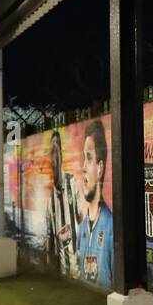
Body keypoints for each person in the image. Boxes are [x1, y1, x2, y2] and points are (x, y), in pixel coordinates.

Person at [74, 119, 114, 288]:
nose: (83, 167)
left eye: (88, 158)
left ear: (100, 168)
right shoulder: (82, 227)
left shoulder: (112, 227)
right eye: (84, 158)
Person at [44, 129, 80, 277]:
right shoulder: (50, 195)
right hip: (60, 262)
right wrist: (48, 254)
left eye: (57, 147)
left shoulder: (71, 182)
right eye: (53, 149)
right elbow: (48, 231)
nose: (55, 153)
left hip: (75, 260)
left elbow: (80, 214)